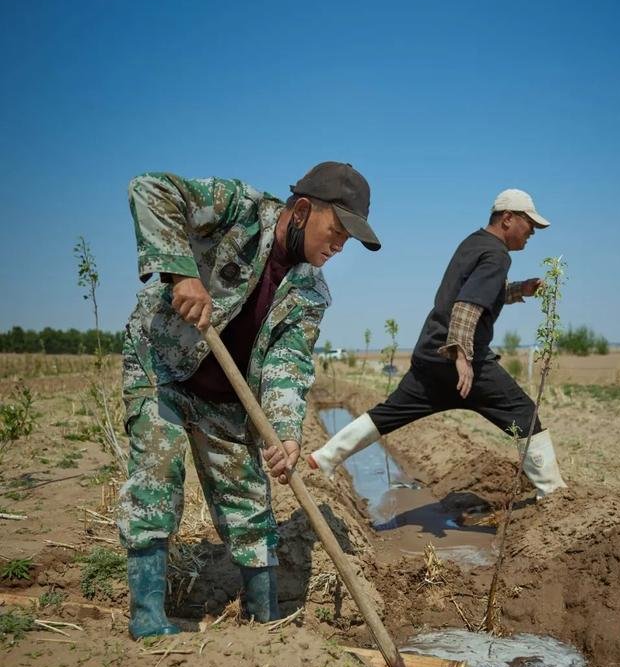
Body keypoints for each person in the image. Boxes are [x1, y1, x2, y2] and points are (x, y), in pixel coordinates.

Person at [118, 162, 380, 639]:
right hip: (163, 369)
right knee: (157, 476)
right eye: (337, 230)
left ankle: (265, 617)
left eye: (349, 238)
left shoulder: (311, 291)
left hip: (226, 400)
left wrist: (285, 432)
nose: (340, 245)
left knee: (248, 503)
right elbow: (151, 189)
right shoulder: (236, 210)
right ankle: (149, 618)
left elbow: (289, 364)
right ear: (301, 210)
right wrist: (180, 272)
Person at [309, 188, 567, 499]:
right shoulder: (497, 254)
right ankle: (552, 493)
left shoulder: (475, 243)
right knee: (523, 412)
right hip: (463, 360)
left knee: (388, 413)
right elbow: (467, 305)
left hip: (431, 356)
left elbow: (477, 291)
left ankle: (324, 458)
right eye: (530, 225)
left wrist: (519, 290)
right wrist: (462, 356)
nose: (532, 233)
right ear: (508, 219)